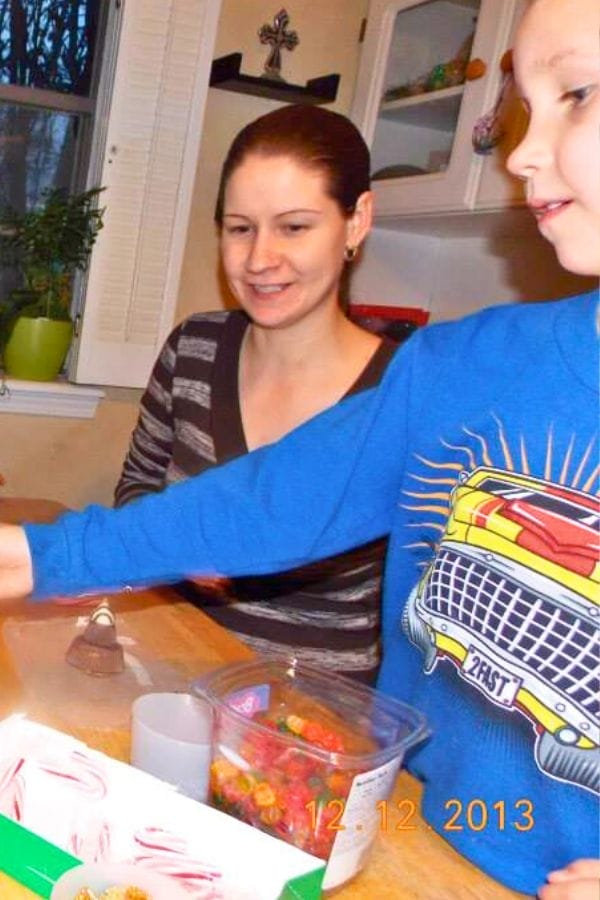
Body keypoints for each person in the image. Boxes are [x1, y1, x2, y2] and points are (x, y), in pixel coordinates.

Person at [0, 0, 598, 895]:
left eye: (579, 94)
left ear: (356, 225)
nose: (518, 154)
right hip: (396, 839)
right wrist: (33, 555)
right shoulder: (459, 368)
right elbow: (269, 500)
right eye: (524, 106)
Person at [113, 105, 397, 684]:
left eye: (294, 227)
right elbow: (137, 486)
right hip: (173, 681)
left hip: (315, 730)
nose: (259, 259)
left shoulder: (404, 392)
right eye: (240, 228)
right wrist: (176, 544)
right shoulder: (193, 349)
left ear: (357, 221)